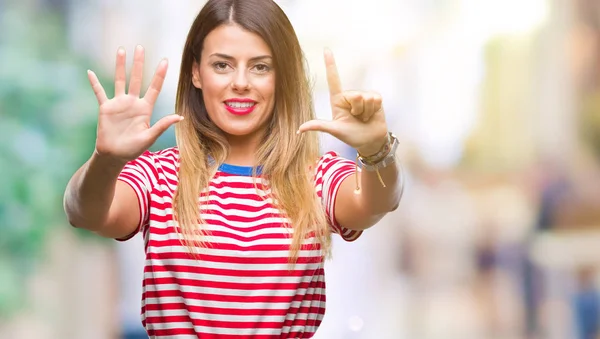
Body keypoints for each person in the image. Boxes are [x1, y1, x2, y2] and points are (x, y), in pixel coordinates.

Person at [63, 0, 403, 337]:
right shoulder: (161, 176)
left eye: (260, 67)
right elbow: (85, 213)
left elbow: (376, 204)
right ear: (196, 72)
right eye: (222, 65)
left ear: (282, 77)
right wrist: (106, 158)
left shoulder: (314, 178)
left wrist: (376, 151)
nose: (241, 82)